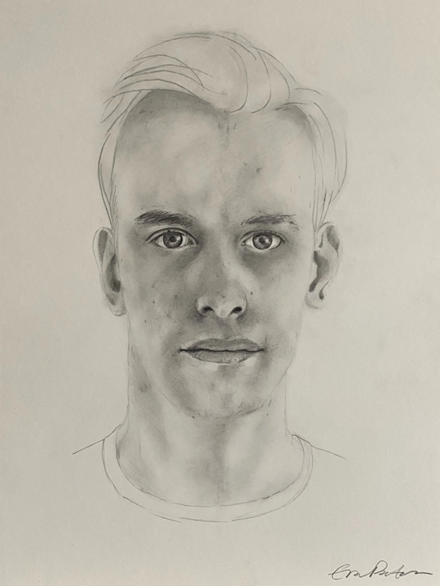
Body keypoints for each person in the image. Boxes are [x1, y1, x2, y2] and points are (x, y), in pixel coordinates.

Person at [85, 31, 347, 522]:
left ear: (319, 269)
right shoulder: (28, 508)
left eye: (264, 241)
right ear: (113, 271)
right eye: (172, 238)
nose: (222, 297)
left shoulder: (384, 511)